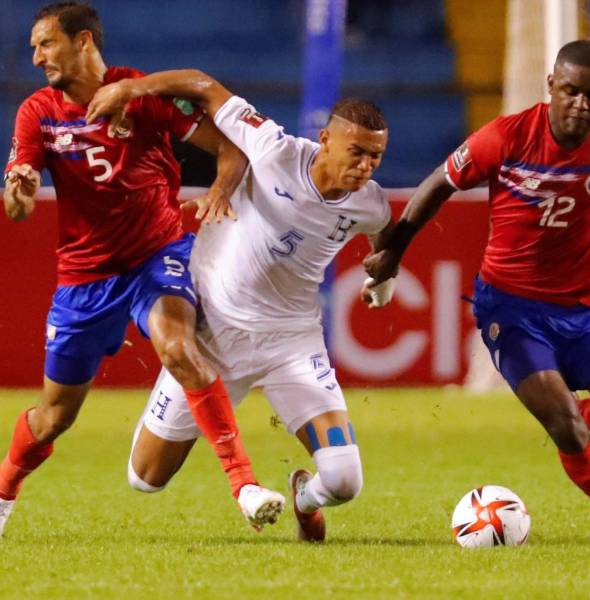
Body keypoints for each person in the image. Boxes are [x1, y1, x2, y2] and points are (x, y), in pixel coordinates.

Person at [364, 40, 590, 544]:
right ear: (551, 86)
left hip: (586, 303)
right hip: (512, 307)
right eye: (571, 90)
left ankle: (569, 410)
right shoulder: (506, 137)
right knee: (567, 430)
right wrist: (395, 251)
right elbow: (441, 181)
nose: (582, 103)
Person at [0, 2, 284, 538]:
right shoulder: (37, 112)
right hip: (83, 279)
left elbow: (231, 148)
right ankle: (3, 493)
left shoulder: (142, 95)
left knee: (177, 347)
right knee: (54, 417)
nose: (36, 57)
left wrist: (220, 192)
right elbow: (17, 205)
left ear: (83, 41)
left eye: (46, 44)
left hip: (158, 256)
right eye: (34, 47)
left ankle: (245, 486)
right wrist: (19, 190)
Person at [84, 68, 395, 542]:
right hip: (215, 335)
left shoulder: (369, 204)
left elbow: (384, 236)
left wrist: (383, 278)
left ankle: (304, 498)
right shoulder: (274, 149)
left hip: (292, 342)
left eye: (376, 156)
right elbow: (204, 86)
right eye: (357, 152)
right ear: (326, 139)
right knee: (145, 478)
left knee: (344, 481)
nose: (366, 166)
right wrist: (131, 88)